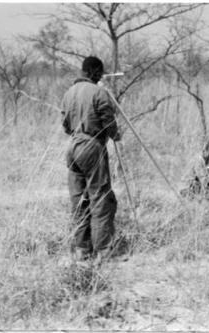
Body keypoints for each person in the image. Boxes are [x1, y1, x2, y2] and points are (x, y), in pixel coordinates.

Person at [61, 56, 121, 265]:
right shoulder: (99, 92)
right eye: (100, 73)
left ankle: (81, 249)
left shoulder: (69, 93)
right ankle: (103, 251)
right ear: (95, 72)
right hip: (91, 146)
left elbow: (66, 125)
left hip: (72, 147)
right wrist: (116, 134)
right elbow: (108, 124)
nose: (101, 77)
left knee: (78, 201)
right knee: (100, 198)